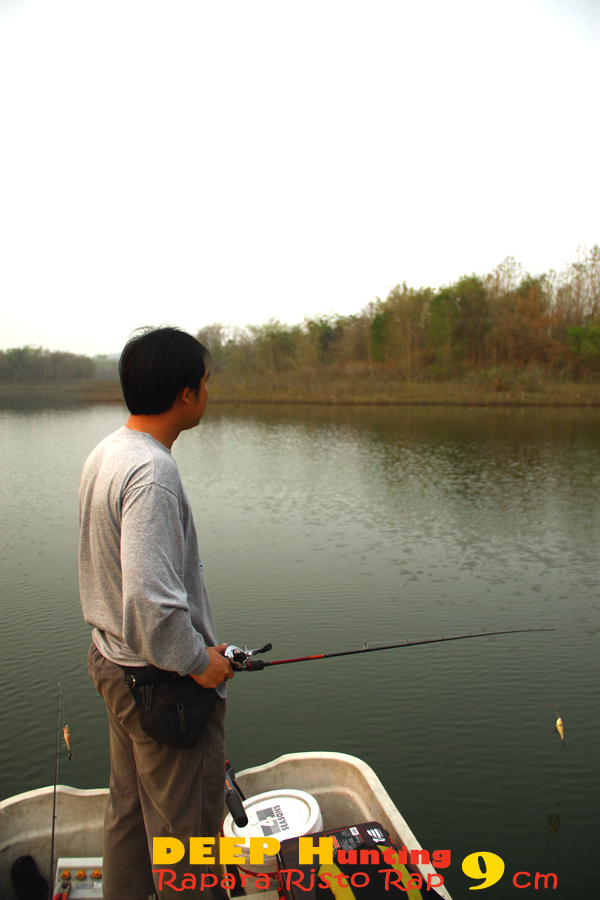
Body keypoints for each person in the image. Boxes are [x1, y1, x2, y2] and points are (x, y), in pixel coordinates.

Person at [79, 325, 233, 900]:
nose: (207, 392)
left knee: (128, 808)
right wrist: (199, 662)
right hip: (158, 684)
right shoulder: (152, 473)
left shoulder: (109, 450)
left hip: (113, 664)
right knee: (185, 836)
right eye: (205, 382)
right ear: (185, 394)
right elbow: (149, 600)